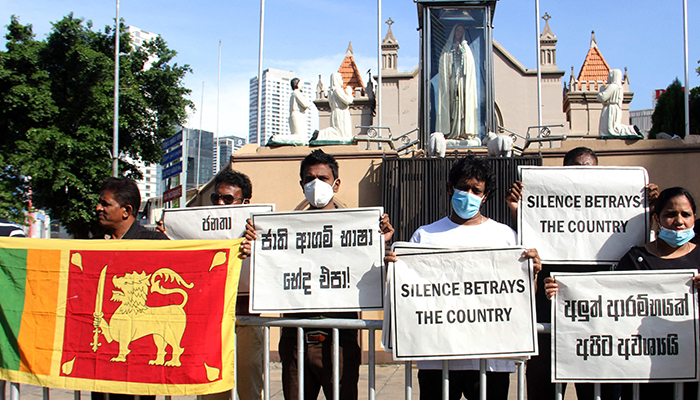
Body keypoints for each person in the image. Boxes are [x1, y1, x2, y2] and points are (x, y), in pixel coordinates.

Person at [506, 147, 657, 400]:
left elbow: (638, 247)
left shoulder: (613, 215)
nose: (584, 174)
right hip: (550, 318)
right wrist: (517, 210)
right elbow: (529, 245)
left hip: (597, 323)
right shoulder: (543, 211)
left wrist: (648, 211)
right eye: (577, 168)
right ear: (564, 172)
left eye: (590, 169)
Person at [386, 155, 541, 400]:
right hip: (436, 359)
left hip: (491, 361)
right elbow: (409, 297)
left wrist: (531, 273)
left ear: (485, 195)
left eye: (475, 190)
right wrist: (392, 271)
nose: (468, 194)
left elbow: (520, 298)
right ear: (450, 189)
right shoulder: (424, 236)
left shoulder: (506, 237)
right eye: (462, 188)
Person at [243, 149, 393, 400]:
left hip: (341, 342)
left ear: (336, 184)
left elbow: (372, 276)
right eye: (309, 178)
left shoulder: (360, 228)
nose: (316, 184)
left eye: (322, 178)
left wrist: (382, 246)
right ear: (301, 184)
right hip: (295, 341)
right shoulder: (283, 231)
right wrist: (253, 249)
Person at [545, 187, 700, 400]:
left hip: (691, 368)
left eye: (686, 214)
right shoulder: (636, 258)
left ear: (694, 218)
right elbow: (607, 299)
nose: (679, 221)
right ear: (657, 219)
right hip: (641, 370)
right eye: (670, 214)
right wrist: (563, 291)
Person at [92, 177, 166, 400]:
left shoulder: (154, 243)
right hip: (103, 363)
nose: (98, 208)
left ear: (127, 211)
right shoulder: (93, 244)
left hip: (140, 362)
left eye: (105, 204)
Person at [211, 170, 263, 400]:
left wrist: (258, 248)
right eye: (217, 198)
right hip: (211, 323)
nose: (221, 203)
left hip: (247, 319)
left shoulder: (261, 232)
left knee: (249, 383)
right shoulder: (202, 230)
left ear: (245, 203)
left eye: (228, 199)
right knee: (212, 388)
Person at [436, 24, 478, 140]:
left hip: (462, 82)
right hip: (451, 81)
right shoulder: (447, 47)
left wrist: (462, 54)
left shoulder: (466, 47)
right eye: (457, 30)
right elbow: (443, 62)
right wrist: (451, 55)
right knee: (452, 106)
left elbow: (469, 64)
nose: (459, 33)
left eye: (461, 30)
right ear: (454, 32)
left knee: (462, 106)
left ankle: (462, 131)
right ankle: (451, 132)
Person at [597, 69, 642, 138]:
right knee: (612, 126)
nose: (607, 78)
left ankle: (631, 130)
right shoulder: (619, 86)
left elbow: (603, 97)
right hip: (614, 107)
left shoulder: (613, 86)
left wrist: (601, 91)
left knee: (612, 127)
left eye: (609, 76)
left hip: (611, 108)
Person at [311, 72, 354, 141]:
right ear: (336, 79)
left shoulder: (331, 91)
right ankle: (320, 134)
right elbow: (348, 101)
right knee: (342, 135)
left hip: (335, 112)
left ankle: (320, 134)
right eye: (340, 79)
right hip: (341, 113)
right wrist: (349, 93)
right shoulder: (337, 90)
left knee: (339, 133)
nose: (342, 81)